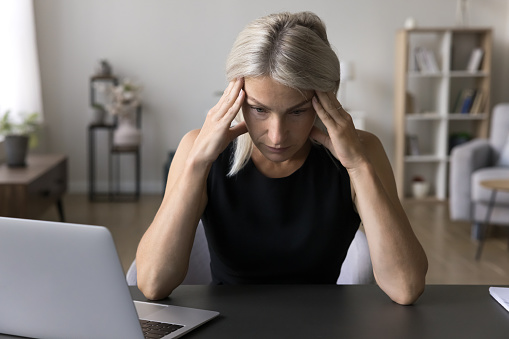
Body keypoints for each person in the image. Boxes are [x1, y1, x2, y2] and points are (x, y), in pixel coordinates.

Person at [136, 11, 428, 305]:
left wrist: (358, 166)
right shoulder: (198, 150)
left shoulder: (363, 152)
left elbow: (405, 287)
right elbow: (152, 283)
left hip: (322, 326)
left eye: (297, 111)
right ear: (235, 98)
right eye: (259, 110)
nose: (276, 136)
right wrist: (197, 164)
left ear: (326, 100)